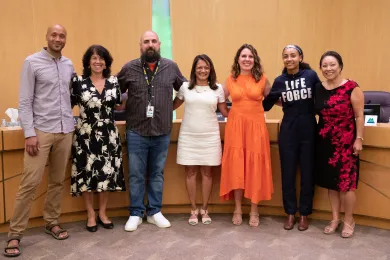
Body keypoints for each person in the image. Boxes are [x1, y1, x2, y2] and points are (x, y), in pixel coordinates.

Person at [4, 25, 74, 258]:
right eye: (54, 35)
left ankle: (51, 221)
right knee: (30, 183)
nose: (58, 38)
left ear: (65, 40)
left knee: (56, 182)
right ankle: (15, 233)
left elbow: (69, 96)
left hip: (65, 130)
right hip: (41, 131)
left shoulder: (68, 65)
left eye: (62, 35)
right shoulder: (32, 62)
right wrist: (29, 133)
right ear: (47, 37)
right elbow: (24, 101)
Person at [118, 30, 186, 231]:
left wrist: (169, 108)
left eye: (153, 41)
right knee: (136, 175)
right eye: (146, 41)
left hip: (162, 130)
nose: (150, 45)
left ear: (159, 44)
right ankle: (136, 213)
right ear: (140, 45)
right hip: (136, 131)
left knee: (157, 174)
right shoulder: (129, 68)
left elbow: (184, 90)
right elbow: (114, 92)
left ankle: (154, 211)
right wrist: (123, 103)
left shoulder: (171, 67)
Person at [262, 45, 321, 231]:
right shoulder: (280, 81)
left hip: (309, 129)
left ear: (300, 57)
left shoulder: (311, 76)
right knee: (287, 173)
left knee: (307, 173)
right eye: (286, 56)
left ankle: (304, 214)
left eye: (293, 56)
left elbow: (321, 97)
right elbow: (266, 105)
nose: (289, 59)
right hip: (288, 130)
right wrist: (261, 86)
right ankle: (289, 213)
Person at [70, 45, 126, 232]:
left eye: (101, 58)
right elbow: (68, 107)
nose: (97, 61)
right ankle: (90, 214)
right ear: (87, 61)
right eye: (93, 58)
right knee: (86, 174)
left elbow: (118, 106)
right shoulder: (78, 81)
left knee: (106, 175)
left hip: (109, 134)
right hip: (86, 133)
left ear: (106, 62)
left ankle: (102, 213)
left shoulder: (113, 81)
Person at [220, 44, 274, 227]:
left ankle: (254, 209)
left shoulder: (263, 79)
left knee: (255, 167)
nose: (247, 59)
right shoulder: (230, 79)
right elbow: (220, 101)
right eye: (243, 56)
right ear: (238, 59)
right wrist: (230, 116)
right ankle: (237, 208)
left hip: (256, 128)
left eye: (250, 56)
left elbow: (273, 99)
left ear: (255, 59)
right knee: (237, 167)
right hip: (236, 128)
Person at [173, 54, 229, 225]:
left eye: (206, 67)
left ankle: (204, 210)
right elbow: (171, 106)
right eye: (199, 67)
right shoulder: (184, 87)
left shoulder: (217, 89)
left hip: (210, 136)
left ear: (210, 69)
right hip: (189, 136)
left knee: (207, 173)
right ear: (194, 70)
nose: (203, 70)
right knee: (190, 172)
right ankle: (193, 209)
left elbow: (226, 112)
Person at [315, 51, 364, 238]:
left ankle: (349, 219)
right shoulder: (318, 88)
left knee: (347, 184)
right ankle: (335, 218)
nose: (328, 68)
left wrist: (359, 138)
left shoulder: (352, 87)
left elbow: (359, 115)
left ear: (340, 66)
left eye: (332, 64)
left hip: (346, 143)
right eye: (325, 65)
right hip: (325, 142)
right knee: (331, 184)